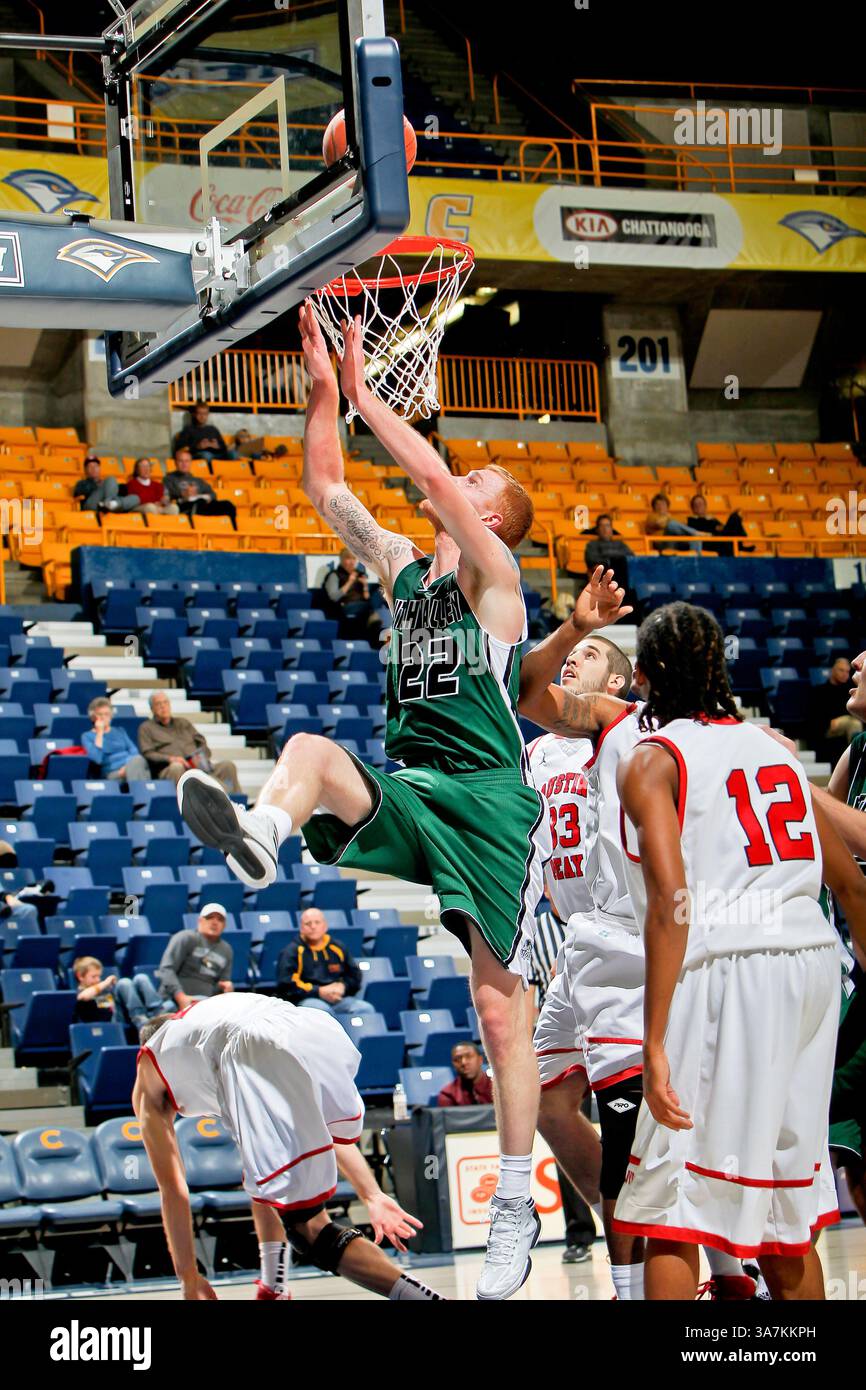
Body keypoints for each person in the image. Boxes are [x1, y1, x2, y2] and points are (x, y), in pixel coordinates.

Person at [176, 301, 549, 1302]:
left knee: (498, 1012)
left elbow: (424, 473)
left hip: (489, 801)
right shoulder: (399, 573)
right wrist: (322, 390)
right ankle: (262, 831)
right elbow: (327, 485)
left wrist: (376, 397)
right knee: (305, 748)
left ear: (493, 518)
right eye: (464, 476)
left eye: (477, 485)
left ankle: (514, 1200)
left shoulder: (494, 577)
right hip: (418, 787)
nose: (457, 480)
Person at [612, 602, 866, 1300]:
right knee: (786, 1213)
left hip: (733, 965)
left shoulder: (653, 759)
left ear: (644, 677)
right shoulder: (773, 750)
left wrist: (655, 1040)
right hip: (814, 966)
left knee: (669, 1208)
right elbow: (851, 886)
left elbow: (671, 903)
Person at [519, 579, 761, 1302]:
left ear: (630, 677)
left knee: (642, 1138)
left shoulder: (629, 728)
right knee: (544, 1102)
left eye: (591, 654)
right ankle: (657, 1231)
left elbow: (538, 692)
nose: (573, 662)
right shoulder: (542, 753)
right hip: (575, 940)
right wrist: (572, 628)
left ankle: (688, 1272)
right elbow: (527, 691)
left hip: (629, 939)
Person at [134, 993, 443, 1301]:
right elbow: (314, 1135)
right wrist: (371, 1193)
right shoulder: (205, 1025)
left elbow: (173, 1189)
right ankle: (274, 1287)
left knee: (309, 1230)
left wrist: (188, 1276)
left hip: (251, 1047)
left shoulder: (151, 1068)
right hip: (307, 1026)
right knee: (265, 1176)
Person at [806, 649, 866, 1225]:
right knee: (847, 1146)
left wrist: (796, 780)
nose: (855, 662)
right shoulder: (858, 750)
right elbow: (830, 846)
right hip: (861, 972)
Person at [276, 907, 374, 1017]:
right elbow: (287, 985)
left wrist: (343, 987)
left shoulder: (337, 947)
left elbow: (354, 976)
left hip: (337, 998)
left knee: (365, 1009)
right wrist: (319, 991)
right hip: (307, 999)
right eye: (308, 923)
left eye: (317, 922)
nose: (313, 926)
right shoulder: (291, 951)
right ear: (301, 928)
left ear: (325, 926)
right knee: (323, 1011)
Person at [138, 691, 239, 792]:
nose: (163, 706)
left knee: (228, 765)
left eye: (165, 702)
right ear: (152, 709)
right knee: (177, 767)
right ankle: (185, 805)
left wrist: (202, 757)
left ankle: (236, 802)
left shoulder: (183, 722)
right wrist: (171, 759)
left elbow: (201, 741)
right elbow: (148, 753)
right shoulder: (146, 728)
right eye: (158, 704)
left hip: (197, 765)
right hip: (171, 769)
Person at [156, 905, 234, 1010]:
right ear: (200, 921)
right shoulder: (186, 937)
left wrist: (227, 988)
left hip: (205, 1003)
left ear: (224, 925)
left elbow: (223, 981)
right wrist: (180, 997)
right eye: (210, 917)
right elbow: (166, 969)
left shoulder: (226, 949)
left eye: (220, 919)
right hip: (173, 1000)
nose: (214, 922)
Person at [807, 657, 863, 762]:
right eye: (841, 670)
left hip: (846, 725)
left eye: (847, 671)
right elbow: (815, 715)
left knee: (855, 722)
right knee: (853, 723)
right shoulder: (820, 691)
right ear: (832, 670)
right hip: (826, 727)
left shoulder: (850, 691)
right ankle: (858, 760)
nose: (844, 674)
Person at [321, 548, 383, 642]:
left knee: (380, 591)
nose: (351, 562)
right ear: (341, 559)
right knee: (371, 610)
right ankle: (374, 620)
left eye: (354, 559)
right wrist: (349, 582)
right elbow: (333, 597)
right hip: (344, 606)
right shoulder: (334, 575)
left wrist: (365, 586)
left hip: (363, 606)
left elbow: (366, 598)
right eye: (348, 559)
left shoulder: (360, 575)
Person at [82, 697, 150, 782]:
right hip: (112, 773)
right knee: (141, 770)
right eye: (100, 714)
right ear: (93, 717)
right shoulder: (87, 736)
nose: (103, 717)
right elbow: (97, 759)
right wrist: (99, 733)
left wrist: (127, 768)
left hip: (130, 766)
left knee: (138, 761)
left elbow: (133, 750)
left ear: (111, 716)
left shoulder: (120, 731)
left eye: (106, 714)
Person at [163, 448, 237, 523]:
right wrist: (183, 494)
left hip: (202, 504)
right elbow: (167, 496)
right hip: (185, 506)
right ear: (175, 463)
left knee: (227, 505)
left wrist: (208, 497)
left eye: (187, 461)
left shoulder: (198, 480)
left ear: (190, 462)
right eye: (181, 461)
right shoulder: (169, 479)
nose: (184, 464)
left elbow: (212, 494)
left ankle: (233, 530)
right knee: (198, 503)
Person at [583, 514, 633, 593]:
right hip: (605, 573)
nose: (605, 529)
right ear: (597, 529)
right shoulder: (592, 545)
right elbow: (591, 560)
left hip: (623, 573)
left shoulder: (620, 544)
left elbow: (631, 557)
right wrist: (610, 560)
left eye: (607, 525)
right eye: (601, 526)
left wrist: (609, 556)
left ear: (611, 529)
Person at [73, 456, 140, 513]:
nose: (93, 469)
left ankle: (112, 504)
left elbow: (120, 490)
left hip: (106, 504)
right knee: (111, 479)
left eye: (96, 466)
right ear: (85, 470)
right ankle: (109, 503)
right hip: (92, 504)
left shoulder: (105, 483)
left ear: (99, 468)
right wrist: (100, 485)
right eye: (90, 466)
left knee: (136, 498)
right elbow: (80, 493)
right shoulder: (81, 483)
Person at [73, 955, 118, 1023]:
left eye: (99, 976)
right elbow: (83, 996)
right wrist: (105, 983)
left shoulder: (102, 991)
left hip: (111, 1021)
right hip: (93, 1027)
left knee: (126, 983)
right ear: (80, 976)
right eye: (94, 977)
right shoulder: (78, 993)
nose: (98, 980)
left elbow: (109, 1011)